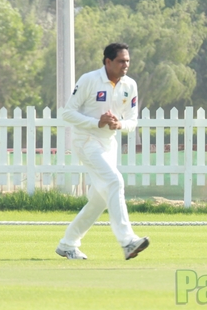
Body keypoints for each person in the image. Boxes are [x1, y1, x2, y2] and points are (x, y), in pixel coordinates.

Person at [55, 43, 150, 260]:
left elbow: (132, 120)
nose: (125, 65)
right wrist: (96, 122)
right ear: (107, 61)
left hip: (109, 143)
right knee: (115, 182)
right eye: (121, 61)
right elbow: (68, 113)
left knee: (99, 199)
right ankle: (127, 241)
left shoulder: (130, 85)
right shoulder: (89, 80)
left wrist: (120, 125)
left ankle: (67, 244)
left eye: (127, 61)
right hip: (86, 140)